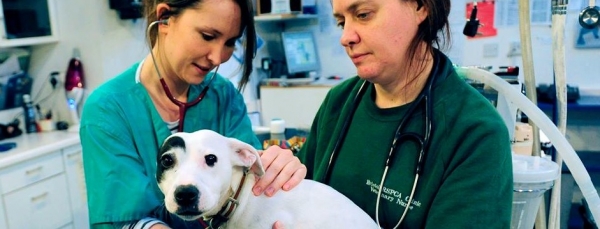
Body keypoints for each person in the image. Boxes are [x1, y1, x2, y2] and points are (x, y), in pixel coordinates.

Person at [80, 0, 305, 228]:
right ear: (165, 18)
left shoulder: (224, 96)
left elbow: (251, 185)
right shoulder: (108, 109)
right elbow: (122, 218)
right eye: (207, 36)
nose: (218, 58)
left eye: (230, 42)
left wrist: (276, 167)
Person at [294, 0, 513, 228]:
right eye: (341, 22)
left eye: (363, 14)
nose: (346, 37)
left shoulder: (476, 132)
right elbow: (299, 202)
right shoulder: (339, 103)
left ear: (421, 7)